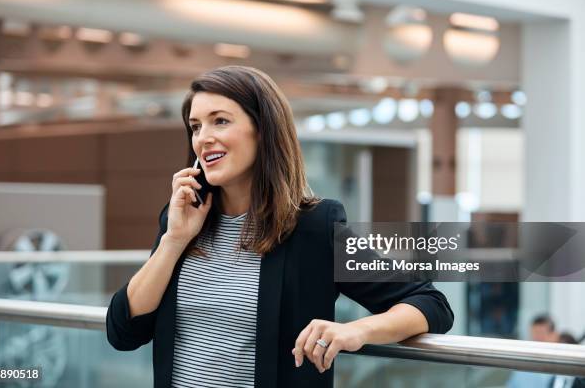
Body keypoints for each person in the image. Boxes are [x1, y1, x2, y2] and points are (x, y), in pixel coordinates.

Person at [105, 65, 454, 388]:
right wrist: (174, 239)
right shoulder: (181, 220)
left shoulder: (314, 227)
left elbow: (429, 302)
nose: (203, 137)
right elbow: (123, 331)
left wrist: (356, 331)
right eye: (196, 126)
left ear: (263, 130)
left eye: (220, 121)